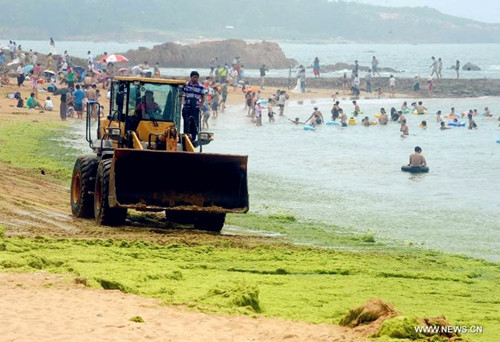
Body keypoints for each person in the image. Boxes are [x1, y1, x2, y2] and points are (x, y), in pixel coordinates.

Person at [182, 71, 205, 142]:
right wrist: (183, 103)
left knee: (195, 123)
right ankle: (186, 136)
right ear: (191, 77)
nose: (195, 79)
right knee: (186, 122)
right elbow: (182, 94)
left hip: (195, 108)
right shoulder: (185, 85)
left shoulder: (200, 87)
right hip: (187, 107)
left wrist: (200, 106)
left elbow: (203, 97)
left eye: (196, 78)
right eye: (194, 77)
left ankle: (194, 137)